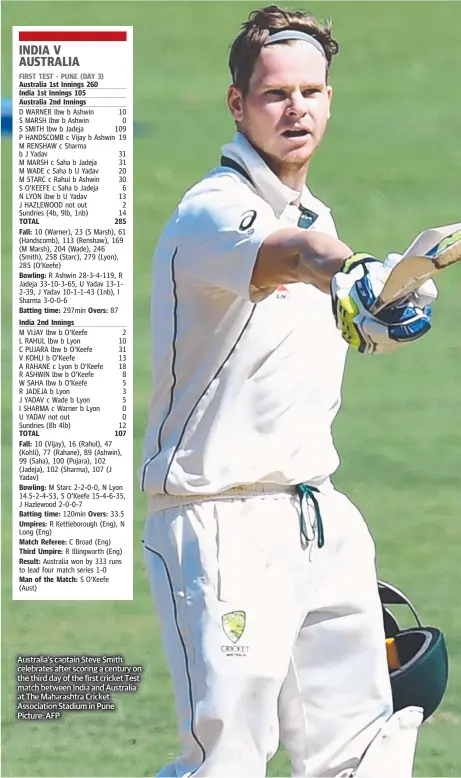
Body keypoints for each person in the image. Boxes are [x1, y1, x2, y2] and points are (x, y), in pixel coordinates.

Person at [140, 6, 436, 776]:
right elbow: (297, 257)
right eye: (275, 94)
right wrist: (352, 273)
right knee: (226, 761)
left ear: (330, 99)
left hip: (318, 517)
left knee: (363, 754)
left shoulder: (313, 211)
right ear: (237, 104)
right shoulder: (214, 210)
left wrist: (379, 310)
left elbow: (318, 313)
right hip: (220, 525)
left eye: (310, 90)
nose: (295, 108)